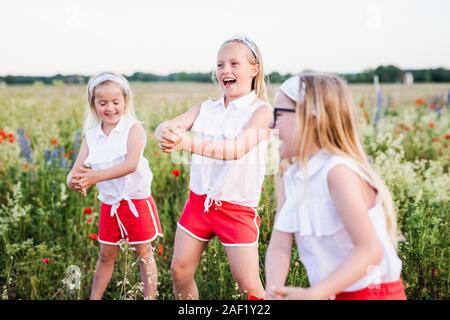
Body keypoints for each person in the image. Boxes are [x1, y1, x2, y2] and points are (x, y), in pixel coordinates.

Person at [265, 73, 406, 300]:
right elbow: (280, 246)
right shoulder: (291, 178)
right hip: (331, 294)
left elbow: (369, 250)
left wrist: (315, 293)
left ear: (311, 118)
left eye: (278, 113)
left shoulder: (338, 172)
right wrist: (273, 293)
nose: (271, 123)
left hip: (373, 295)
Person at [155, 35, 272, 300]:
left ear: (254, 69)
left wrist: (186, 142)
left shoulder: (261, 111)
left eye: (234, 63)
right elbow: (164, 126)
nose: (225, 70)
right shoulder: (205, 108)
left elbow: (235, 150)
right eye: (220, 65)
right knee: (179, 271)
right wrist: (166, 134)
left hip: (236, 209)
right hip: (199, 203)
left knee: (249, 287)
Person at [67, 72, 163, 300]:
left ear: (125, 101)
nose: (110, 108)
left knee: (143, 253)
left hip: (135, 201)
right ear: (94, 105)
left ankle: (150, 297)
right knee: (106, 254)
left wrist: (94, 177)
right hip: (109, 204)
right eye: (102, 103)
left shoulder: (133, 129)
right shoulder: (92, 137)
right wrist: (74, 181)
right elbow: (75, 172)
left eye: (115, 102)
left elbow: (130, 164)